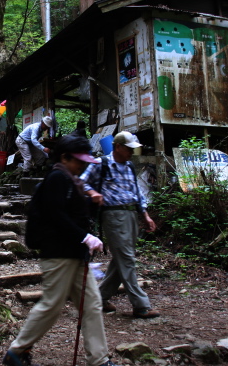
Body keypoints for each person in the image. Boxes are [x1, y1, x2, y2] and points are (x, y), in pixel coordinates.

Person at [3, 135, 121, 366]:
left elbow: (74, 215)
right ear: (65, 158)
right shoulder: (57, 178)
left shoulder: (72, 180)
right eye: (79, 161)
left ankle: (99, 360)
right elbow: (56, 215)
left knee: (91, 304)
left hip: (75, 254)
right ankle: (17, 351)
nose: (84, 165)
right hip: (58, 253)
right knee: (52, 305)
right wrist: (85, 236)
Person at [80, 131, 160, 319]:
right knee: (126, 258)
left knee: (122, 259)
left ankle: (99, 299)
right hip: (113, 215)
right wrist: (93, 194)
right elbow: (81, 182)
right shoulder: (101, 163)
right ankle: (141, 305)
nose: (132, 153)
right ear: (118, 147)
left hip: (131, 214)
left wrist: (145, 216)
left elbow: (137, 192)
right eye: (128, 149)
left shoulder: (130, 166)